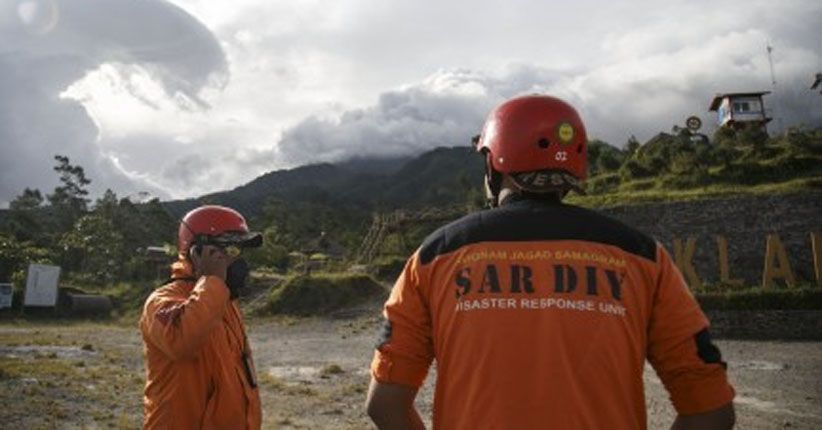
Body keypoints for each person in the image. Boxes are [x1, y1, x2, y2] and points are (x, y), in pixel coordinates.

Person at [365, 95, 735, 429]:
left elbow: (385, 406)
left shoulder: (434, 256)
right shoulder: (642, 257)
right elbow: (711, 410)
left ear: (494, 163)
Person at [140, 205, 263, 429]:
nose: (238, 261)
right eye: (230, 250)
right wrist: (213, 281)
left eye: (239, 251)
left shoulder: (224, 300)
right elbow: (182, 343)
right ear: (197, 252)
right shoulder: (162, 300)